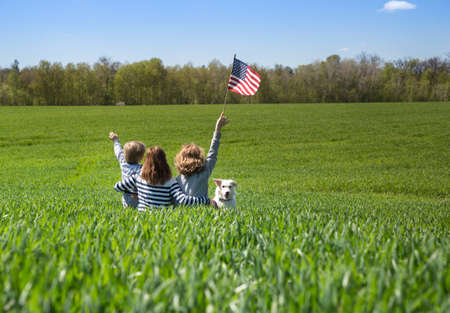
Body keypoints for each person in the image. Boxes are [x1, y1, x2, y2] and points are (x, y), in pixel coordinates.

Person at [114, 146, 210, 211]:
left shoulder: (138, 176)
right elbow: (183, 200)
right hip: (162, 219)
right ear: (164, 160)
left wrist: (134, 193)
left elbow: (117, 187)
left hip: (141, 219)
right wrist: (206, 200)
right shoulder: (170, 180)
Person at [175, 112, 230, 199]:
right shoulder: (204, 172)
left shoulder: (177, 180)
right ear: (199, 158)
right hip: (202, 208)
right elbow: (213, 153)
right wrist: (217, 129)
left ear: (180, 160)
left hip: (182, 211)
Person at [109, 132, 145, 208]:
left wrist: (115, 140)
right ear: (139, 158)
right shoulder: (141, 169)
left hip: (126, 196)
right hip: (138, 197)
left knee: (128, 213)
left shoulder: (123, 162)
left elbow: (118, 150)